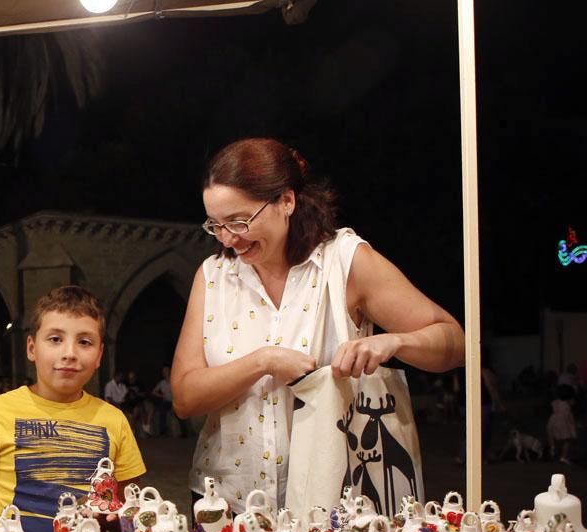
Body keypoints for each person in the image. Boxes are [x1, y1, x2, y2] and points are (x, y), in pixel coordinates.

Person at [171, 138, 464, 509]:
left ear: (286, 202)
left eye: (239, 221)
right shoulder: (214, 276)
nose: (229, 238)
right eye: (215, 225)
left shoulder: (343, 262)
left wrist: (394, 343)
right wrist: (264, 361)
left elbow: (456, 343)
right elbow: (184, 396)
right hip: (226, 502)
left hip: (333, 499)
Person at [0, 285, 146, 532]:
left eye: (84, 342)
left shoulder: (114, 420)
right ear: (32, 348)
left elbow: (129, 511)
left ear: (99, 356)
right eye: (55, 339)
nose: (69, 353)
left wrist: (116, 514)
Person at [548, 384, 576, 464]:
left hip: (553, 421)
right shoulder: (568, 404)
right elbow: (569, 415)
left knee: (555, 438)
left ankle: (553, 448)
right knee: (566, 440)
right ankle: (563, 456)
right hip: (563, 423)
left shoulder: (555, 402)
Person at [151, 366, 174, 436]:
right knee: (162, 410)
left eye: (166, 371)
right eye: (163, 372)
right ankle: (163, 431)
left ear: (169, 371)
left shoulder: (173, 380)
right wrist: (161, 395)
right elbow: (153, 391)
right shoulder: (162, 382)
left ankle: (184, 432)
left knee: (178, 412)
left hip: (174, 401)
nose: (165, 373)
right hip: (166, 402)